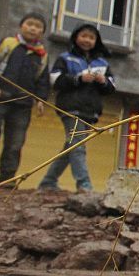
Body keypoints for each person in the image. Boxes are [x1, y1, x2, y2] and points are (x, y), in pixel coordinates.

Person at [38, 24, 115, 192]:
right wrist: (78, 79)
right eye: (84, 36)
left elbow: (111, 87)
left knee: (71, 147)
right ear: (75, 37)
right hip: (70, 108)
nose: (87, 40)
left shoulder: (102, 63)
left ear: (96, 41)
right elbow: (55, 81)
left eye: (91, 37)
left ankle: (48, 182)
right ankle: (84, 184)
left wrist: (103, 82)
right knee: (78, 146)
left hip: (90, 110)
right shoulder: (65, 58)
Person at [0, 13, 50, 185]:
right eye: (29, 24)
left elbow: (42, 80)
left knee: (15, 143)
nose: (33, 28)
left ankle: (7, 179)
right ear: (21, 25)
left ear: (42, 33)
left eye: (38, 26)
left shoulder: (42, 55)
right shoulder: (8, 43)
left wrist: (41, 100)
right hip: (1, 99)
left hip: (23, 105)